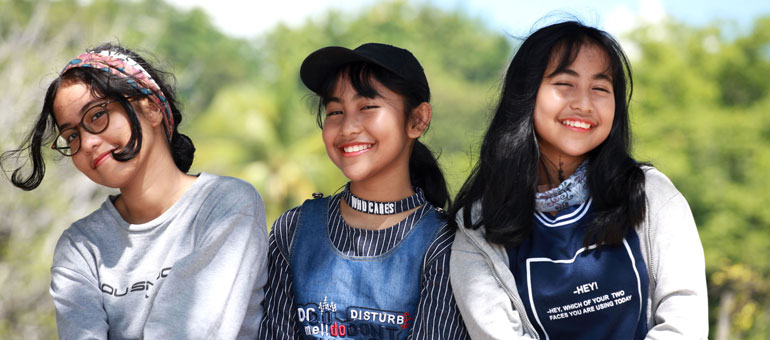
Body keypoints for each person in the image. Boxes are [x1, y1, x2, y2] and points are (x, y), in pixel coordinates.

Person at [448, 21, 708, 339]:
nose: (584, 104)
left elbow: (684, 325)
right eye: (564, 84)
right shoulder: (479, 229)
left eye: (600, 88)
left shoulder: (652, 197)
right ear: (526, 93)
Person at [1, 43, 268, 339]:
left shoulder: (226, 205)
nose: (87, 143)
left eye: (97, 116)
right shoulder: (79, 247)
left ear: (152, 107)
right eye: (72, 135)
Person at [258, 43, 469, 339]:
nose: (348, 128)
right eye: (335, 111)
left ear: (417, 120)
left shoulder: (446, 243)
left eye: (368, 107)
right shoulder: (292, 231)